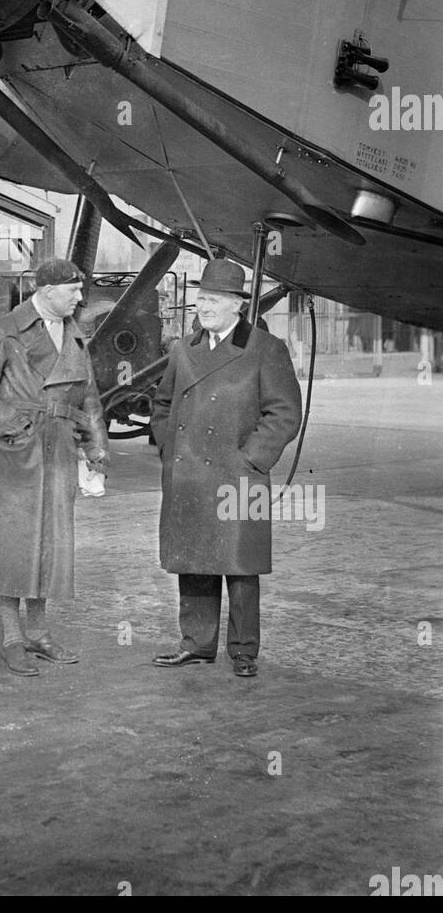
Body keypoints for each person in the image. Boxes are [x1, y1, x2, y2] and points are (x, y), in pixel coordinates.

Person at [150, 258, 302, 679]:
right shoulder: (184, 349)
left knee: (240, 566)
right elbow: (162, 405)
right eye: (201, 298)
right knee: (194, 559)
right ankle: (196, 645)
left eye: (214, 299)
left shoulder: (265, 349)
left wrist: (251, 458)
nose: (204, 306)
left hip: (239, 474)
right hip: (189, 474)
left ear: (238, 305)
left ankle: (243, 651)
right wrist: (169, 447)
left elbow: (284, 413)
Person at [0, 258, 108, 676]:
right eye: (73, 290)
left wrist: (96, 446)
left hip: (57, 451)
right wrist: (15, 427)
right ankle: (11, 640)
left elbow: (89, 396)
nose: (80, 298)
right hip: (14, 453)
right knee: (12, 545)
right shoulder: (5, 330)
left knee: (48, 545)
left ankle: (39, 635)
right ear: (46, 292)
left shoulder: (74, 334)